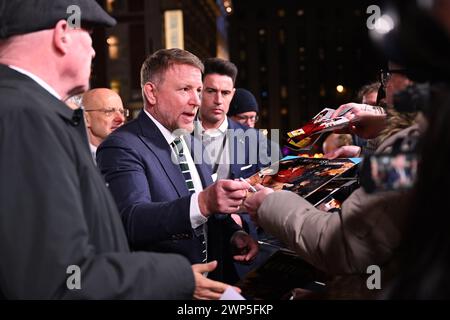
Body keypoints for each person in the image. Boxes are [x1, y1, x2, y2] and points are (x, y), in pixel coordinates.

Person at [0, 0, 231, 299]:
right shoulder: (25, 116)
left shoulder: (29, 110)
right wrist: (175, 277)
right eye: (90, 34)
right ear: (62, 35)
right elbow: (59, 278)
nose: (95, 50)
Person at [97, 49, 258, 283]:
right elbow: (131, 220)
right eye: (185, 89)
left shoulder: (192, 142)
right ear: (151, 93)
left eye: (199, 91)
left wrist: (234, 234)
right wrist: (204, 202)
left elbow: (209, 213)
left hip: (213, 284)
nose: (196, 101)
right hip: (167, 286)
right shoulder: (121, 146)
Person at [82, 88, 127, 161]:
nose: (121, 119)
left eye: (122, 112)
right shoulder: (73, 158)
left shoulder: (130, 155)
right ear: (86, 118)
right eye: (109, 111)